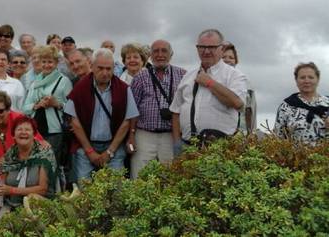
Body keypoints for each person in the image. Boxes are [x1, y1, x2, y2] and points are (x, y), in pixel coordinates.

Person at [65, 48, 140, 181]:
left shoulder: (123, 89)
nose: (105, 73)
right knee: (84, 188)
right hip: (85, 145)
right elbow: (74, 122)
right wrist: (89, 151)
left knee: (116, 187)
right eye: (100, 68)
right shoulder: (80, 87)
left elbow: (127, 121)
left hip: (114, 146)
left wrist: (110, 151)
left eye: (109, 69)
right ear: (92, 66)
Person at [170, 29, 246, 152]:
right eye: (202, 47)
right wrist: (177, 141)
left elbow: (237, 103)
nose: (206, 51)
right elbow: (175, 111)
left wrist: (209, 83)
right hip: (186, 147)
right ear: (197, 48)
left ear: (221, 49)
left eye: (211, 47)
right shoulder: (188, 76)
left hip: (220, 148)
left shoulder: (234, 75)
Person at [0, 91, 43, 221]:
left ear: (8, 109)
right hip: (5, 165)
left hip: (29, 164)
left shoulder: (20, 121)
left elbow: (40, 143)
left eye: (0, 111)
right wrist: (6, 163)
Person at [128, 40, 187, 179]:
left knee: (170, 177)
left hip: (170, 135)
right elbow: (133, 110)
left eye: (164, 51)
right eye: (156, 51)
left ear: (171, 54)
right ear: (150, 55)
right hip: (144, 135)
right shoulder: (140, 77)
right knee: (138, 176)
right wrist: (131, 136)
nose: (160, 54)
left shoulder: (183, 75)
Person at [0, 117, 57, 220]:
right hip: (11, 205)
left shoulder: (45, 154)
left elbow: (43, 189)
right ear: (13, 135)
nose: (23, 132)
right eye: (19, 129)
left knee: (32, 198)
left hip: (39, 204)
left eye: (27, 129)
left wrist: (12, 190)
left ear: (34, 134)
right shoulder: (8, 156)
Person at [23, 46, 73, 166]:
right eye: (44, 61)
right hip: (35, 131)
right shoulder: (35, 83)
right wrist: (36, 105)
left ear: (56, 63)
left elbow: (72, 109)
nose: (46, 65)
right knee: (36, 166)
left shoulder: (64, 81)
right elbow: (25, 108)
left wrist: (57, 104)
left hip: (55, 132)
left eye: (50, 62)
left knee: (50, 166)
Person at [274, 62, 329, 145]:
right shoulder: (286, 106)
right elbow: (278, 138)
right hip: (296, 157)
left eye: (311, 77)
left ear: (317, 80)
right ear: (296, 80)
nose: (306, 81)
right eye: (302, 77)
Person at [222, 42, 257, 134]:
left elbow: (250, 111)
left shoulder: (246, 83)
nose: (227, 60)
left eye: (231, 57)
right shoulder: (210, 80)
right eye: (223, 57)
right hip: (216, 134)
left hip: (240, 136)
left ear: (236, 61)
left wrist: (251, 134)